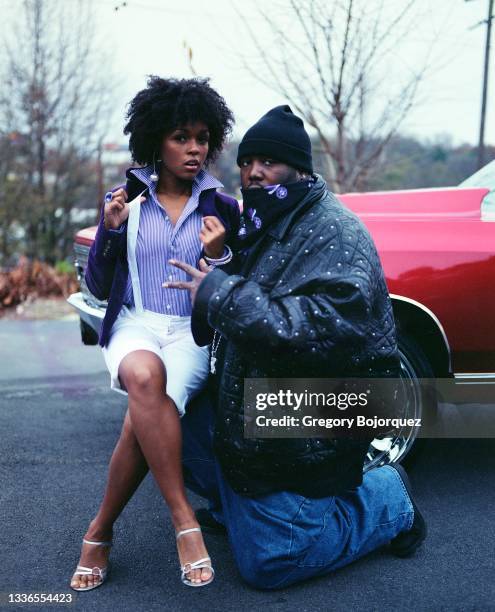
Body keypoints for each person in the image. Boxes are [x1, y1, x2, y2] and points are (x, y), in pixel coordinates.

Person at [167, 105, 427, 589]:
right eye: (247, 162)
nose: (254, 172)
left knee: (270, 563)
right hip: (266, 408)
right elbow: (246, 304)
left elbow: (323, 329)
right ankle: (245, 508)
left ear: (300, 169)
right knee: (163, 417)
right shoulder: (270, 217)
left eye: (268, 161)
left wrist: (221, 293)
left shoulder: (335, 232)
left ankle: (389, 499)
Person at [69, 77, 238, 590]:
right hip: (135, 324)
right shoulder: (127, 202)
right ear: (155, 141)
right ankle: (185, 522)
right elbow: (97, 285)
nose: (194, 149)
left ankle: (99, 531)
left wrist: (217, 256)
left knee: (142, 419)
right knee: (145, 379)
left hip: (190, 334)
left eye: (202, 138)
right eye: (181, 137)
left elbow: (233, 288)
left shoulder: (222, 207)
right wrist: (112, 230)